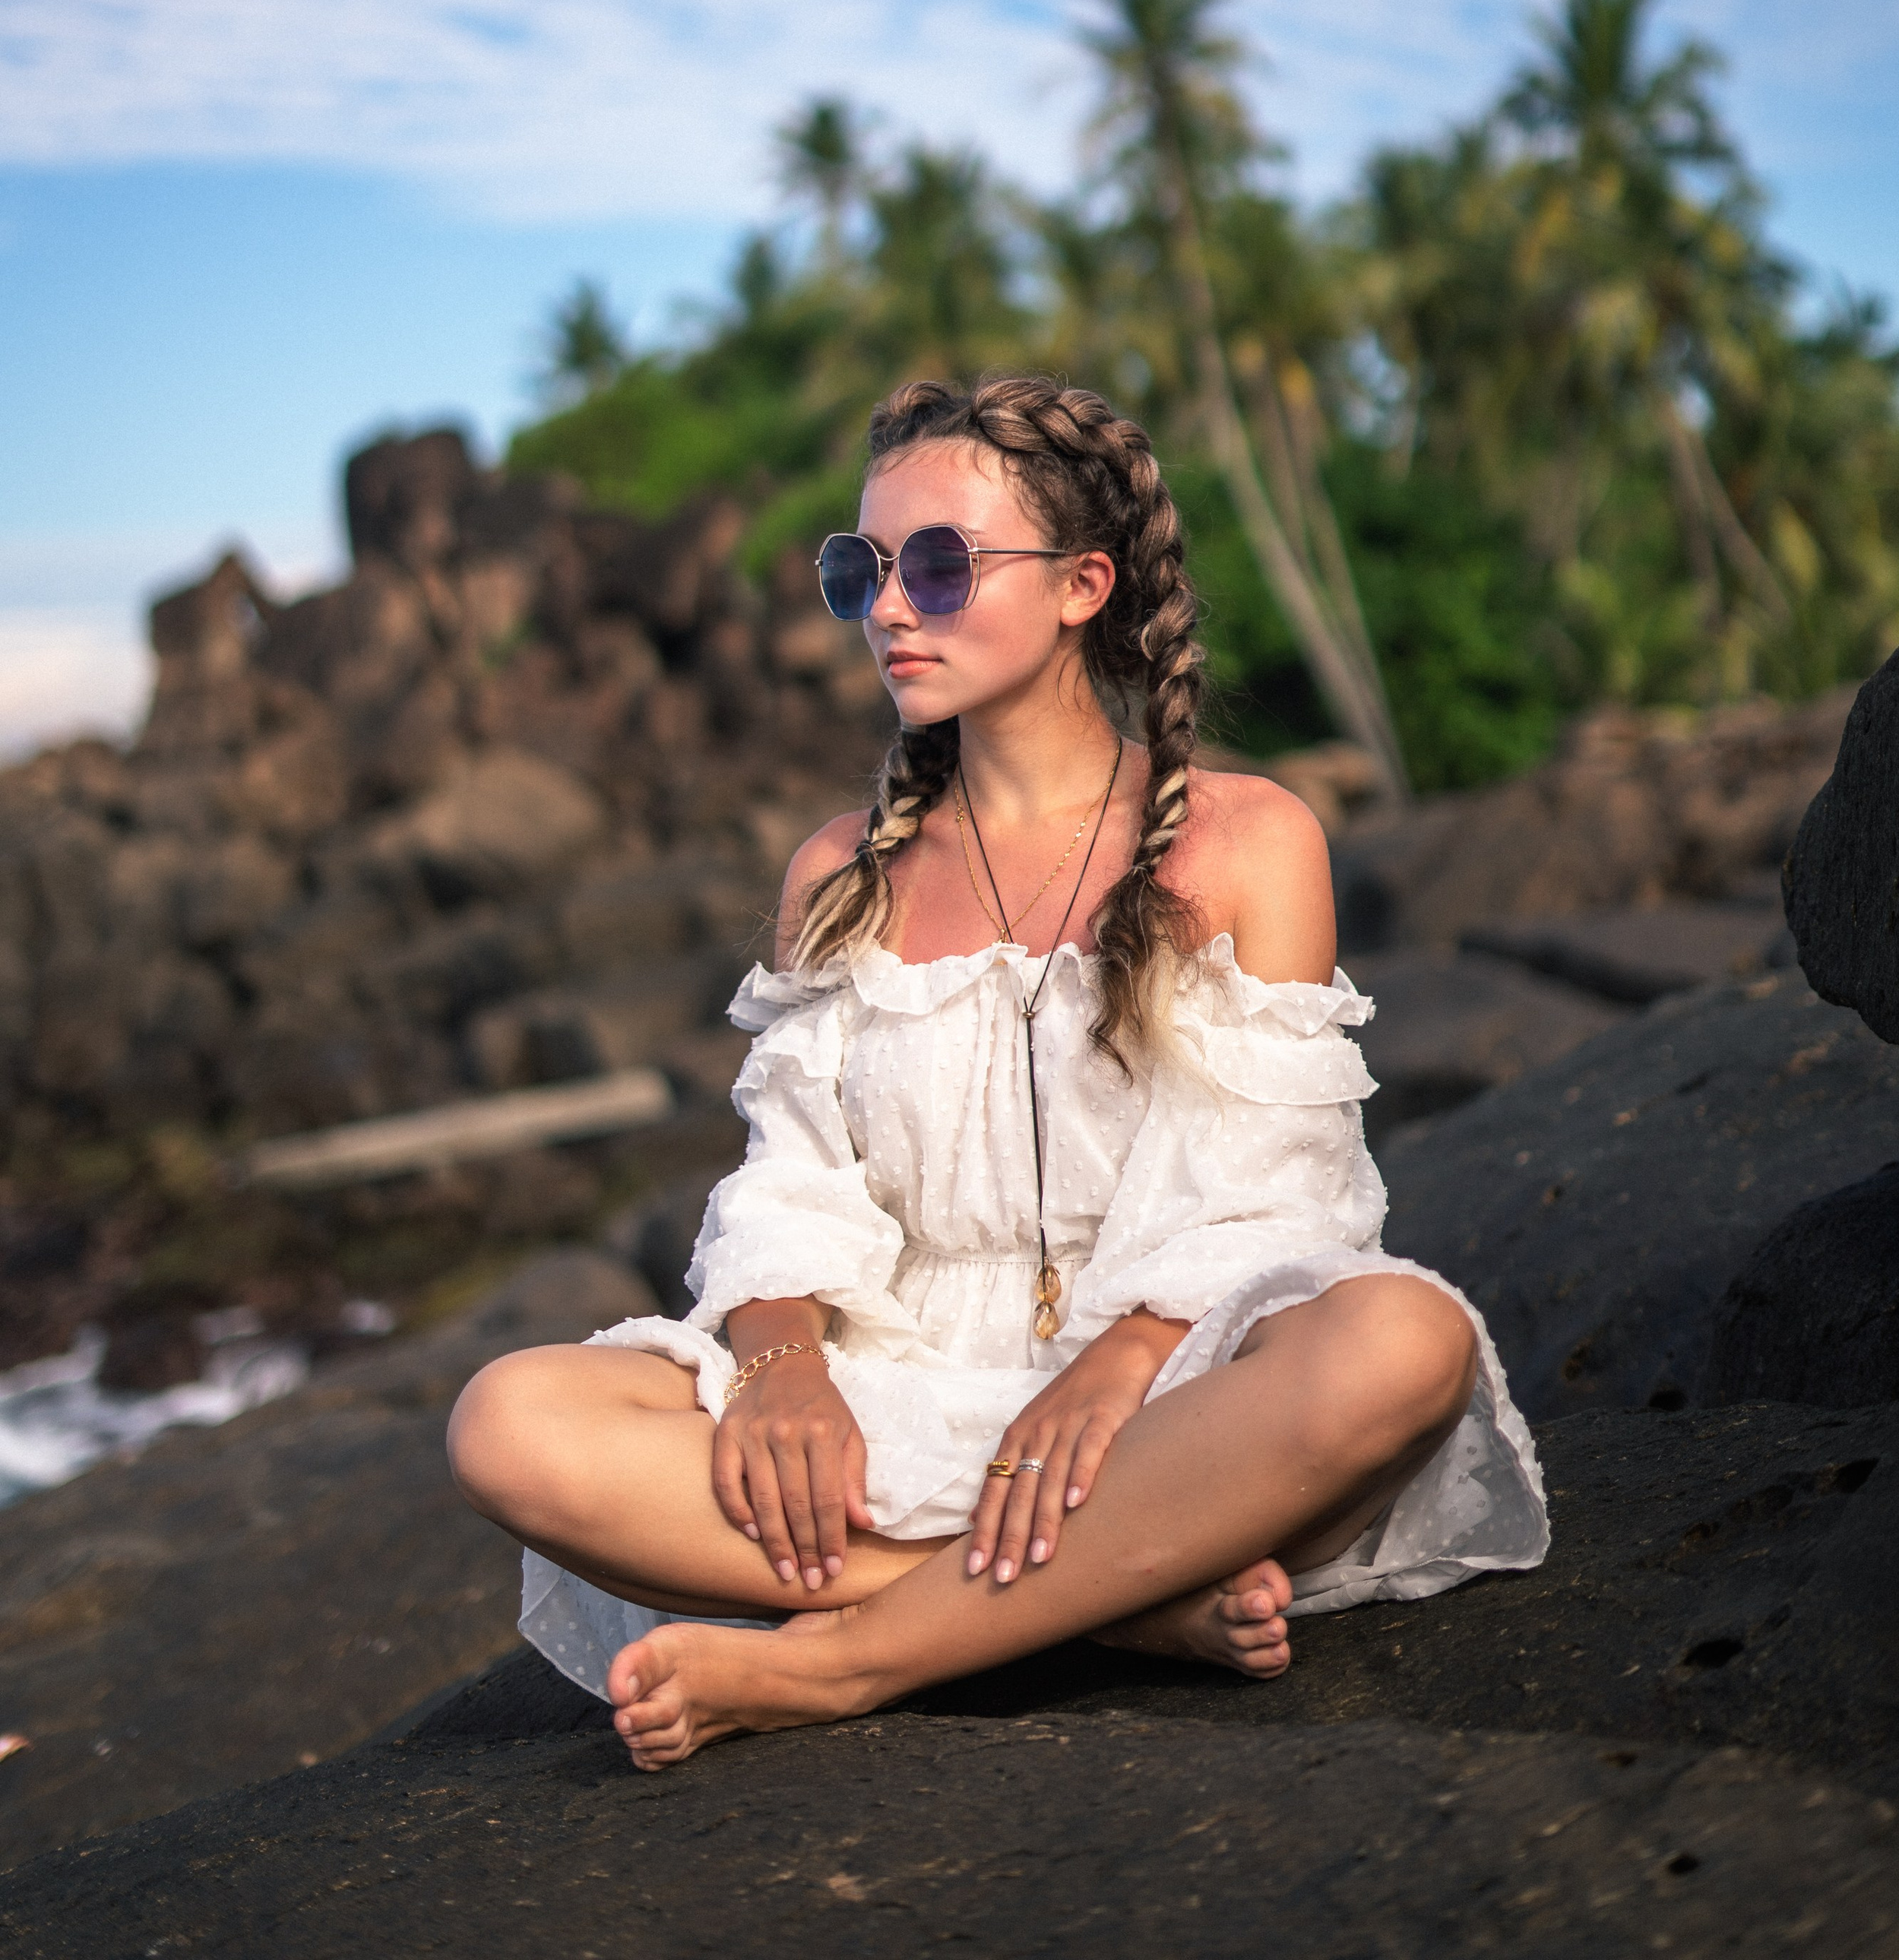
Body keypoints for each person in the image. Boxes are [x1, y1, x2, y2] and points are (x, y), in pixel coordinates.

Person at [448, 375, 1548, 1770]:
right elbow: (792, 1174)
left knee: (1403, 1341)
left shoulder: (1250, 840)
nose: (890, 608)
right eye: (863, 570)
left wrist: (1120, 1367)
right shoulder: (840, 874)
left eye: (941, 565)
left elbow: (1275, 1187)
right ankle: (1111, 1606)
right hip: (897, 1399)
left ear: (1086, 584)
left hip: (1173, 1413)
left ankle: (846, 1660)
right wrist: (782, 1367)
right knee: (511, 1424)